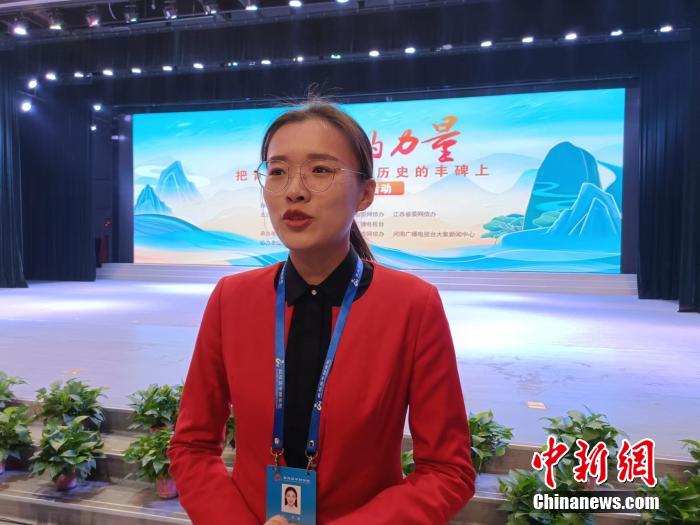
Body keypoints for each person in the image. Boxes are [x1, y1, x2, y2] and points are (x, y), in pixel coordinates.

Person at [167, 98, 477, 525]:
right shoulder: (231, 298)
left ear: (365, 194)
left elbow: (447, 471)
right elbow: (191, 446)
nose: (294, 190)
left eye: (320, 170)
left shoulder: (412, 305)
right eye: (278, 171)